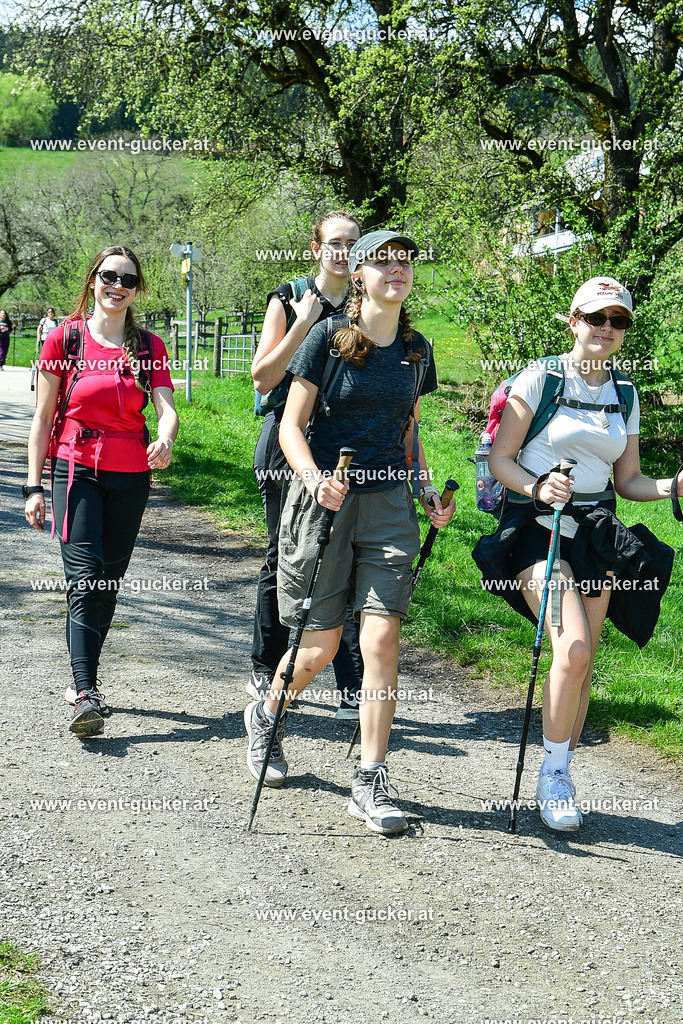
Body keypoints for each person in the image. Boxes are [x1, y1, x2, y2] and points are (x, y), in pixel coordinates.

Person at [244, 230, 455, 835]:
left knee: (381, 640)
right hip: (327, 503)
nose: (397, 269)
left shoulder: (417, 350)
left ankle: (369, 777)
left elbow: (409, 433)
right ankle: (266, 713)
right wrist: (313, 480)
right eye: (383, 261)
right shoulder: (325, 342)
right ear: (358, 274)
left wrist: (426, 492)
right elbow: (290, 426)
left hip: (390, 505)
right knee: (318, 649)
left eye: (405, 261)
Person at [473, 276, 677, 832]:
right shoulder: (540, 378)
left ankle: (558, 770)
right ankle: (553, 777)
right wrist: (538, 486)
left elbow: (629, 479)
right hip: (537, 522)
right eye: (596, 318)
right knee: (576, 646)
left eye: (618, 321)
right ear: (573, 320)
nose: (606, 329)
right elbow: (501, 459)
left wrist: (672, 487)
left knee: (581, 664)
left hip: (594, 527)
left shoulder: (626, 395)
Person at [24, 246, 179, 737]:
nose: (118, 285)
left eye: (128, 280)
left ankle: (84, 676)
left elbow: (165, 406)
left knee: (108, 581)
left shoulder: (149, 347)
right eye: (109, 275)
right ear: (93, 280)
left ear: (138, 290)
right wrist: (33, 486)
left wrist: (167, 437)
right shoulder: (64, 339)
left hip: (130, 474)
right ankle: (86, 689)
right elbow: (43, 418)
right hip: (75, 469)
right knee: (85, 576)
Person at [250, 210, 364, 720]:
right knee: (285, 555)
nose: (345, 252)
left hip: (344, 445)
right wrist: (303, 321)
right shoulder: (290, 295)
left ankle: (350, 688)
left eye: (353, 243)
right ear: (316, 248)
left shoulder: (369, 303)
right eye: (335, 243)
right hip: (287, 443)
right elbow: (262, 378)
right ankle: (266, 669)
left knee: (349, 558)